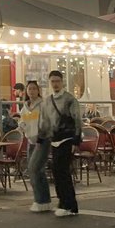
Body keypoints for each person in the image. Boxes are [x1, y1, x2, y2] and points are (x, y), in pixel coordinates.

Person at [29, 69, 81, 217]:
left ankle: (68, 204)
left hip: (67, 138)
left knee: (62, 171)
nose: (55, 84)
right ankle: (64, 203)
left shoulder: (70, 99)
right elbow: (44, 121)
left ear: (62, 81)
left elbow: (77, 120)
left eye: (57, 81)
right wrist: (41, 137)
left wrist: (76, 139)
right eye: (53, 81)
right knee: (57, 172)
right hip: (54, 139)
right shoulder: (47, 101)